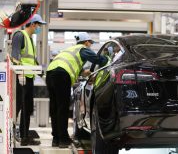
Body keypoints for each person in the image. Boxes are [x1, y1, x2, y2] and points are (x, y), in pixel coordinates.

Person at [46, 32, 107, 148]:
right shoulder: (83, 49)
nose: (90, 45)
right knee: (62, 107)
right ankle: (63, 139)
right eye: (90, 43)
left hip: (50, 73)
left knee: (55, 108)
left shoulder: (70, 50)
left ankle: (56, 138)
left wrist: (85, 73)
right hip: (61, 75)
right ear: (86, 42)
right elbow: (99, 60)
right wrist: (108, 58)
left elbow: (71, 65)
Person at [11, 14, 46, 146]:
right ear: (33, 24)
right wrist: (20, 73)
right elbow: (15, 56)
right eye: (38, 25)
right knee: (20, 107)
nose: (39, 28)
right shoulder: (20, 35)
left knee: (28, 108)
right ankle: (18, 135)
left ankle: (25, 136)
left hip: (29, 77)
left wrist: (39, 70)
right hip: (22, 78)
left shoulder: (30, 39)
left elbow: (30, 58)